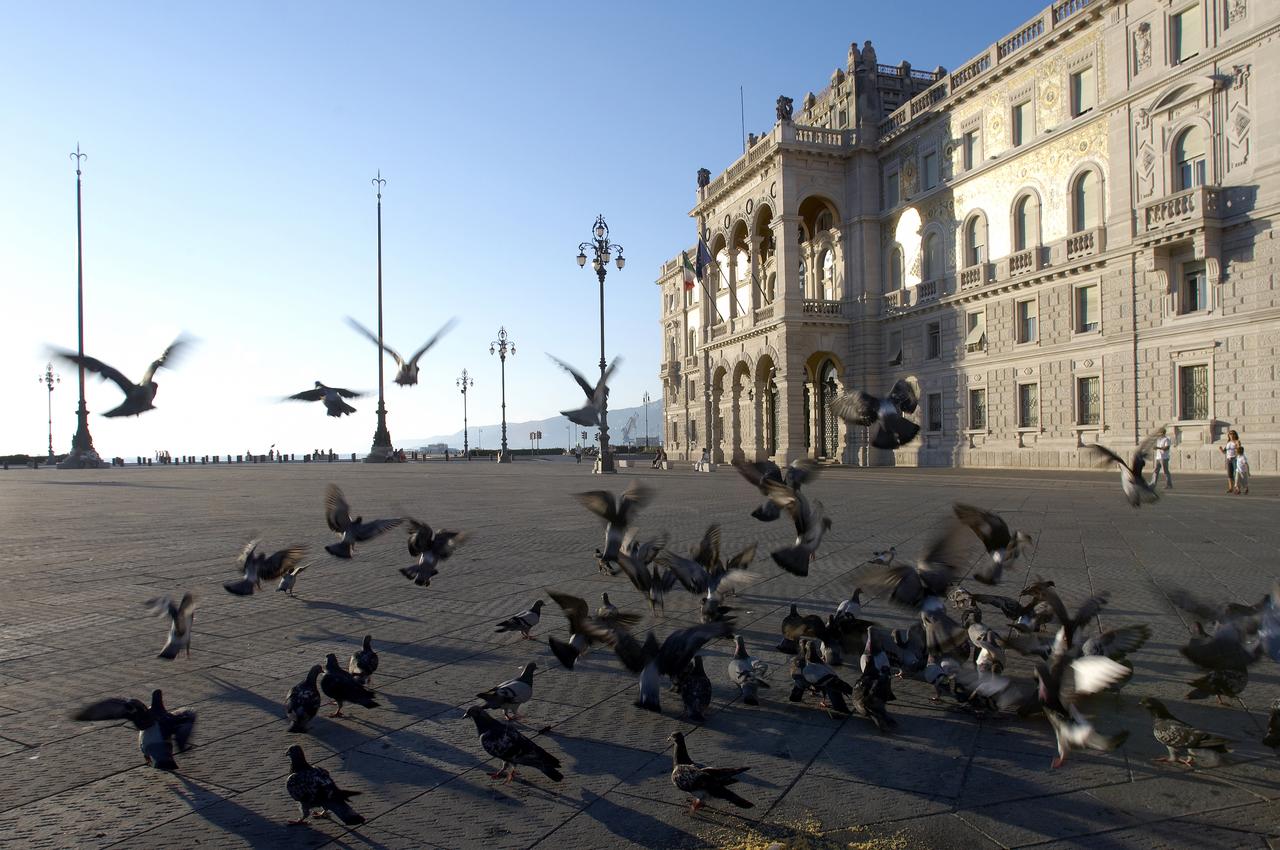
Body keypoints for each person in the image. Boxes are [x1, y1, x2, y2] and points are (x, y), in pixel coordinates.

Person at [1219, 429, 1243, 494]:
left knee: (1236, 474)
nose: (1231, 435)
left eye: (1232, 434)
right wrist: (1221, 450)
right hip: (1229, 459)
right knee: (1229, 475)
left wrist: (1238, 446)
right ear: (1228, 435)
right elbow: (1224, 452)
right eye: (1230, 434)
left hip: (1235, 459)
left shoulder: (1237, 441)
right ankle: (1230, 488)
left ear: (1235, 435)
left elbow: (1240, 450)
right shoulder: (1228, 443)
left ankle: (1238, 489)